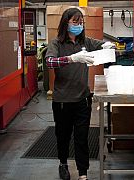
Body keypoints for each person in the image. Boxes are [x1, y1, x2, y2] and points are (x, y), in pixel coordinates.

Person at [45, 7, 114, 180]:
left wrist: (106, 45)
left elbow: (100, 44)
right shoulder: (56, 44)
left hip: (83, 99)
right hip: (63, 101)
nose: (79, 25)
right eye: (75, 22)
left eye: (81, 22)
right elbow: (49, 62)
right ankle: (63, 164)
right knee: (63, 136)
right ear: (66, 23)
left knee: (81, 138)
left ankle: (83, 173)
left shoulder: (86, 42)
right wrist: (72, 58)